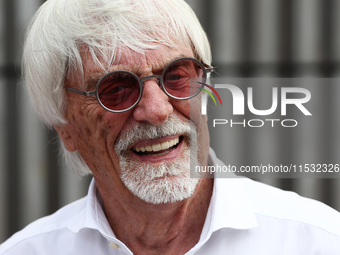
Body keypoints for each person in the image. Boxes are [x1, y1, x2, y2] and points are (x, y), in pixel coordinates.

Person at [1, 0, 340, 254]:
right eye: (115, 90)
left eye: (177, 76)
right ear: (65, 127)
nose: (156, 110)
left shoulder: (316, 241)